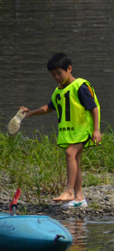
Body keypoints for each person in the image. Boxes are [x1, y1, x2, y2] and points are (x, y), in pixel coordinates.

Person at [19, 53, 101, 208]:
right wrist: (30, 113)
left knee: (70, 153)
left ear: (69, 69)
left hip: (84, 131)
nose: (56, 77)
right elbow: (48, 108)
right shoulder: (59, 91)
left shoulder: (80, 86)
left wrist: (96, 130)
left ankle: (69, 191)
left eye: (59, 73)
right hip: (72, 133)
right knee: (74, 160)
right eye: (53, 74)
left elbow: (94, 108)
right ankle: (79, 198)